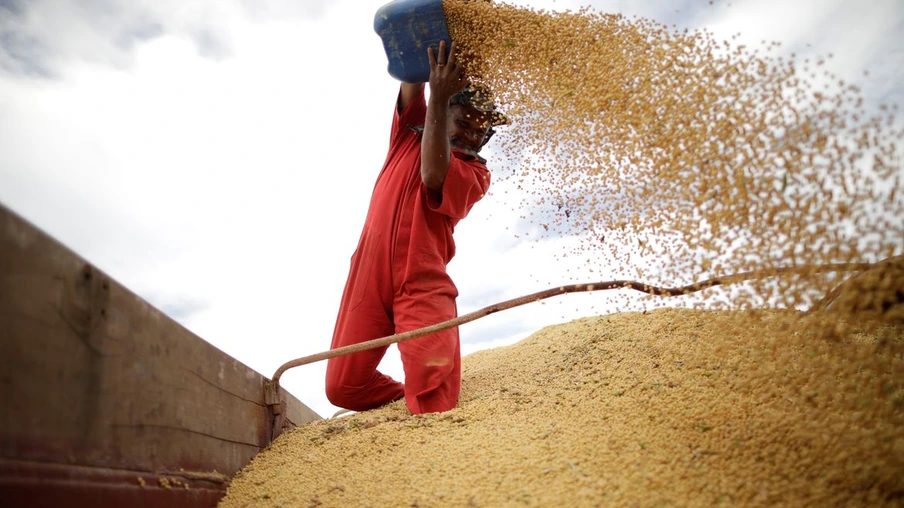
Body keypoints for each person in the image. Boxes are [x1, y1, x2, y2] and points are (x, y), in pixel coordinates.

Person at [324, 40, 508, 415]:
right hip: (367, 274)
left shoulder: (476, 173)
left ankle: (426, 410)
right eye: (467, 119)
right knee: (343, 387)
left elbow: (432, 173)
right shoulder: (409, 133)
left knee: (434, 400)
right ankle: (406, 399)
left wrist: (441, 98)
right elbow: (411, 76)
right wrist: (432, 44)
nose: (474, 132)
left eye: (482, 128)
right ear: (447, 111)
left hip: (421, 281)